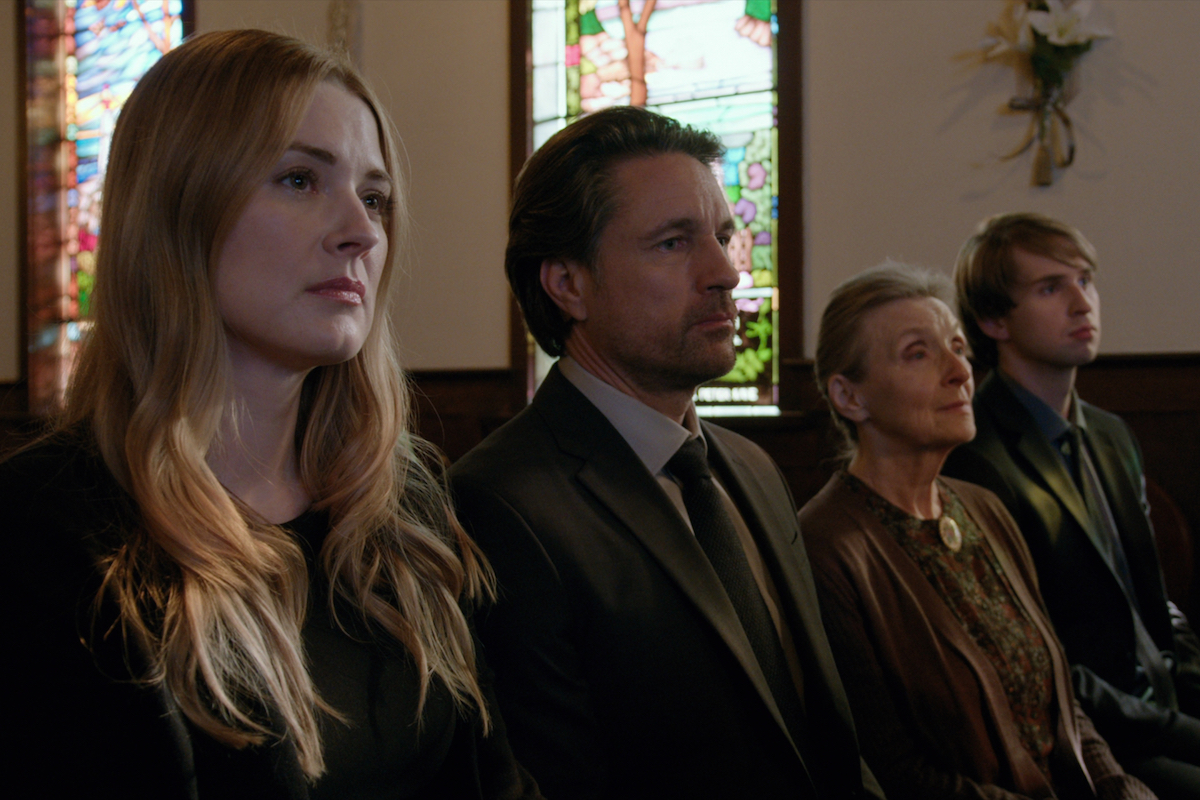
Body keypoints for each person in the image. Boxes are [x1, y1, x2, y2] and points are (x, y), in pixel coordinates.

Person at [1, 30, 539, 800]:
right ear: (176, 207)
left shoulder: (401, 494)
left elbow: (493, 780)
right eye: (298, 179)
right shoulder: (47, 530)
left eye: (376, 197)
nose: (361, 230)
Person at [448, 106, 882, 800]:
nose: (726, 272)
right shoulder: (501, 503)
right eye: (674, 243)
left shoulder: (752, 469)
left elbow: (822, 737)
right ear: (568, 284)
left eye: (723, 235)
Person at [800, 264, 1154, 800]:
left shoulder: (984, 508)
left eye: (959, 348)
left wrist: (1120, 787)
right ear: (850, 397)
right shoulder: (829, 548)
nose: (960, 372)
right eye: (919, 353)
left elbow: (1061, 704)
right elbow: (896, 774)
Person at [941, 213, 1200, 798]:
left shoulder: (1108, 434)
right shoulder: (976, 455)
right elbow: (1034, 661)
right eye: (1050, 288)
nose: (1082, 303)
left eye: (1085, 280)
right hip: (1088, 741)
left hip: (1161, 713)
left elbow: (1153, 611)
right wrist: (1181, 730)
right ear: (992, 320)